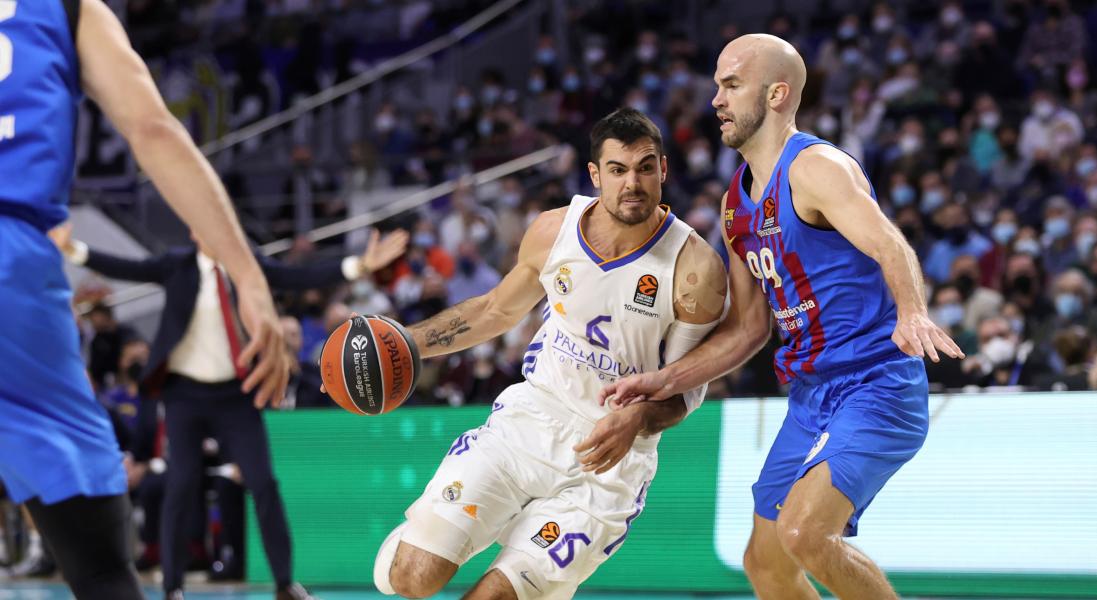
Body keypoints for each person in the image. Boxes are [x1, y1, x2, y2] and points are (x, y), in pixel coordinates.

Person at [603, 34, 964, 599]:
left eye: (731, 85)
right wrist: (662, 381)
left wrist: (913, 311)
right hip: (809, 395)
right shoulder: (733, 205)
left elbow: (889, 244)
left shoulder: (816, 167)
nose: (715, 100)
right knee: (764, 565)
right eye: (716, 85)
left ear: (775, 94)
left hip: (875, 384)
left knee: (805, 533)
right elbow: (749, 329)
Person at [369, 108, 727, 599]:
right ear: (595, 174)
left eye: (645, 168)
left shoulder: (695, 270)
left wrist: (638, 418)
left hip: (608, 461)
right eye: (618, 170)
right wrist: (406, 342)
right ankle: (429, 535)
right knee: (412, 579)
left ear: (664, 169)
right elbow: (496, 311)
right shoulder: (553, 230)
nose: (633, 184)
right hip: (528, 422)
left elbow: (687, 388)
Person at [0, 1, 291, 598]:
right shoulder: (64, 7)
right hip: (14, 268)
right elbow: (152, 129)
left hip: (217, 399)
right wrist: (249, 275)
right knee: (102, 565)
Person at [51, 224, 408, 600]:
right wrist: (74, 248)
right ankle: (173, 587)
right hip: (183, 394)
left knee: (264, 484)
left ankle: (285, 583)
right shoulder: (177, 266)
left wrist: (360, 265)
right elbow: (126, 267)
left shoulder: (245, 266)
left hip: (235, 393)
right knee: (181, 484)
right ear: (193, 230)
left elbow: (298, 276)